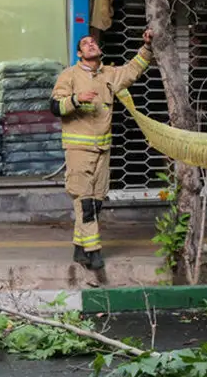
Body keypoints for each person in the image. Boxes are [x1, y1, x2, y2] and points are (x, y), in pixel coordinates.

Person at [50, 30, 153, 271]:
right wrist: (76, 99)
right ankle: (93, 251)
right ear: (79, 53)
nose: (91, 44)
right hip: (78, 149)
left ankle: (79, 249)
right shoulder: (69, 75)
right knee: (84, 201)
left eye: (93, 42)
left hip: (103, 149)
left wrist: (147, 47)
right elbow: (55, 106)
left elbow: (133, 70)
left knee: (95, 202)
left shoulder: (109, 74)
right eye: (85, 44)